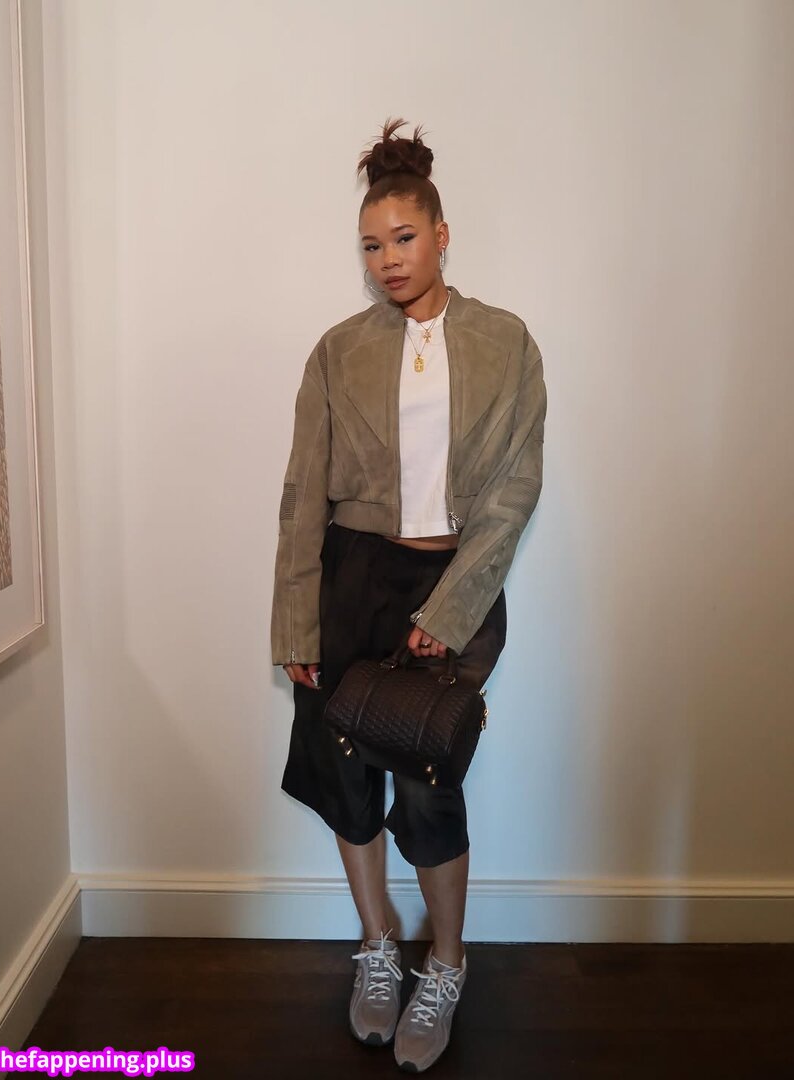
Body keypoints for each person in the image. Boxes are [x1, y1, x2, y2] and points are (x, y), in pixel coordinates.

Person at [270, 117, 547, 1073]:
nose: (387, 260)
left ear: (440, 234)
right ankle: (379, 948)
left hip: (450, 579)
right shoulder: (337, 351)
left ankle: (448, 963)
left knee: (429, 782)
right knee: (346, 774)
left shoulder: (506, 343)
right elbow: (303, 495)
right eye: (370, 246)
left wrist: (450, 612)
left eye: (403, 238)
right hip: (351, 577)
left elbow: (514, 490)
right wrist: (297, 620)